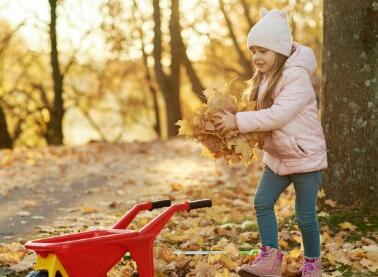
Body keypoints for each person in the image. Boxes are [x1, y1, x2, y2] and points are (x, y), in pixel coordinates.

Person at [213, 7, 327, 277]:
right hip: (277, 157)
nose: (256, 57)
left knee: (305, 216)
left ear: (280, 50)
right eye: (253, 51)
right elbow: (259, 114)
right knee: (262, 202)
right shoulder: (264, 78)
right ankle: (270, 258)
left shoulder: (296, 76)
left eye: (262, 51)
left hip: (304, 157)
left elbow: (278, 115)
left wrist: (238, 121)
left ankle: (312, 264)